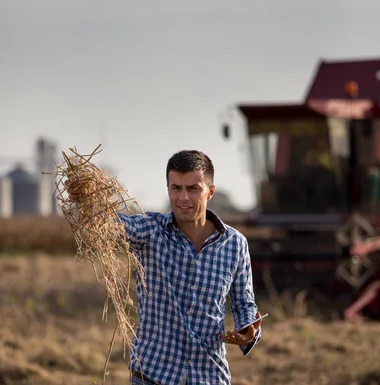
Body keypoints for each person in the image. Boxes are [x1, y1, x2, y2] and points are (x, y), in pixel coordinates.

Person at [66, 150, 263, 385]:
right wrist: (85, 199)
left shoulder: (235, 244)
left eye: (193, 188)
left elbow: (244, 304)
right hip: (154, 375)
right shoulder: (151, 231)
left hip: (210, 376)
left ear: (210, 191)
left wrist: (247, 331)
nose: (183, 198)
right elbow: (110, 224)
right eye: (176, 188)